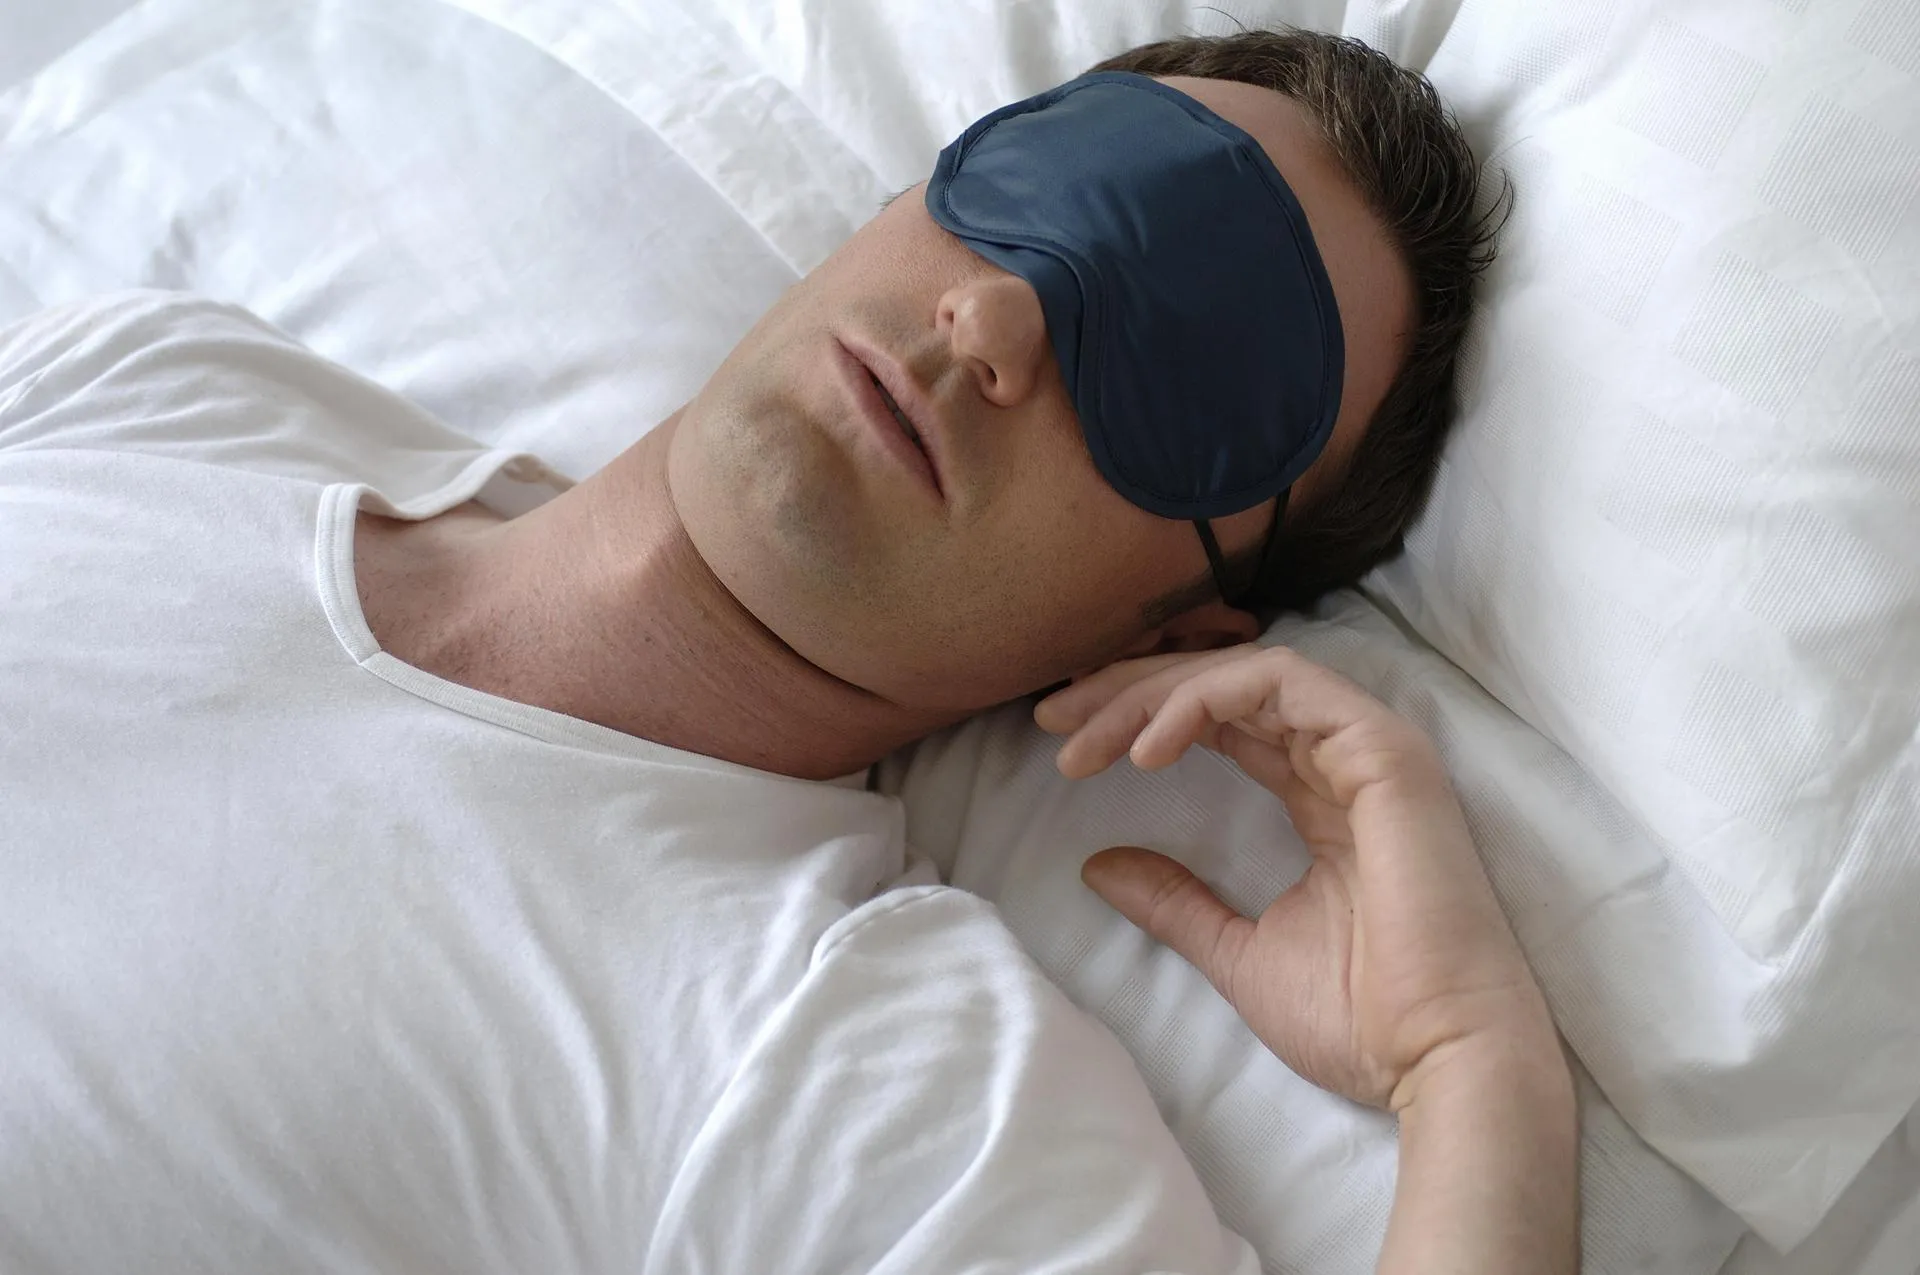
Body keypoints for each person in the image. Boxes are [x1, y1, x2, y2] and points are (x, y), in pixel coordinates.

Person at [0, 27, 1574, 1275]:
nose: (1000, 324)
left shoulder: (839, 1069)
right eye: (1058, 186)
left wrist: (1472, 1064)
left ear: (1176, 628)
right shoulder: (168, 388)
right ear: (907, 201)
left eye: (1184, 376)